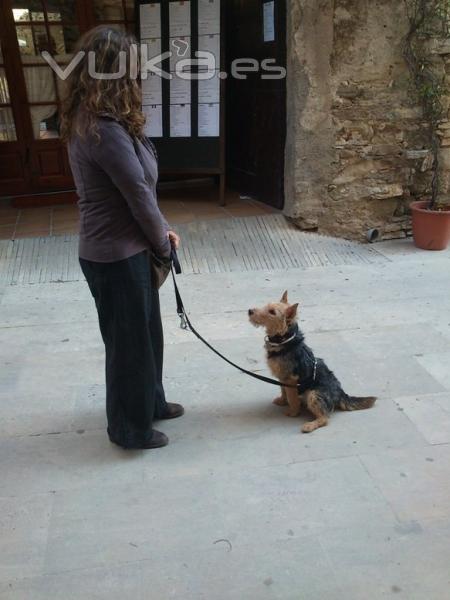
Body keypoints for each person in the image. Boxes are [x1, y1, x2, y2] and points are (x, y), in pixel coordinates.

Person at [61, 26, 183, 450]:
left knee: (147, 335)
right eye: (133, 68)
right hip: (114, 255)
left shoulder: (112, 122)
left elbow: (144, 190)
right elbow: (135, 194)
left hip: (127, 249)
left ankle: (150, 402)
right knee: (128, 346)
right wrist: (162, 243)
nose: (140, 75)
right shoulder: (102, 129)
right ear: (113, 73)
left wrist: (161, 227)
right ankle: (129, 429)